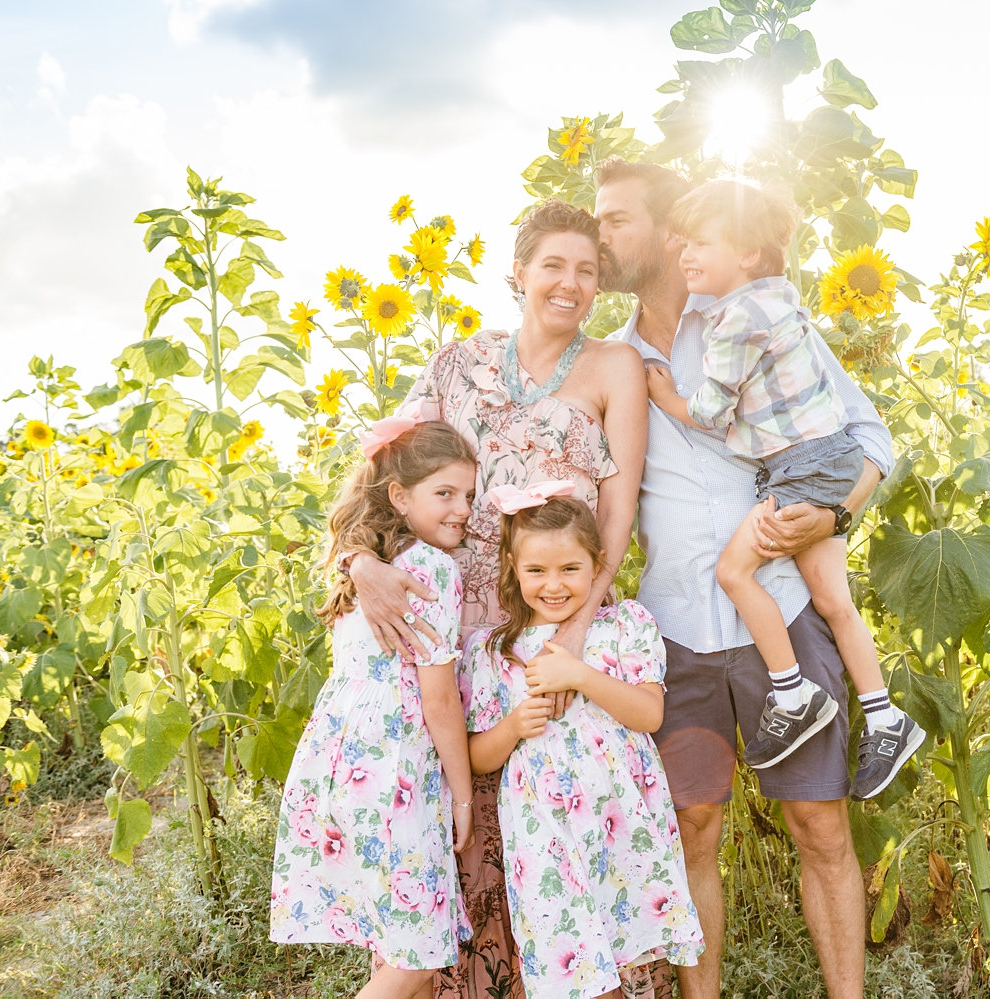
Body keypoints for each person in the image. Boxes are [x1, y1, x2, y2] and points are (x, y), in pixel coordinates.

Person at [596, 156, 892, 998]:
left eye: (619, 220)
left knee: (820, 823)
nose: (604, 235)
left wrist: (837, 513)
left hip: (781, 613)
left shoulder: (753, 313)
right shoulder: (611, 360)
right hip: (676, 630)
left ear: (671, 231)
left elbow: (871, 436)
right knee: (693, 825)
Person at [346, 198, 653, 998]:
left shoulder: (612, 366)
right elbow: (384, 468)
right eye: (553, 264)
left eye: (587, 271)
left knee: (557, 831)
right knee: (456, 835)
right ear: (517, 273)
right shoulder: (456, 362)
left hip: (553, 621)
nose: (571, 283)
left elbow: (619, 510)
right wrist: (355, 559)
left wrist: (578, 630)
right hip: (453, 636)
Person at [645, 178, 922, 797]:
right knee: (833, 599)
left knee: (735, 572)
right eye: (683, 242)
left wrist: (665, 393)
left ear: (747, 254)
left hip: (800, 470)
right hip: (826, 460)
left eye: (701, 243)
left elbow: (712, 412)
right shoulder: (778, 303)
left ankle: (792, 692)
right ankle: (884, 715)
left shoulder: (736, 319)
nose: (685, 254)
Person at [464, 487, 703, 999]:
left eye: (570, 569)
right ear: (512, 566)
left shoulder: (625, 626)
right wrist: (512, 727)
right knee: (571, 961)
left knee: (628, 948)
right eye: (537, 571)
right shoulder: (493, 650)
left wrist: (580, 673)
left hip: (619, 824)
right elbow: (478, 757)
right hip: (545, 834)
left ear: (597, 564)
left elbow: (648, 713)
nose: (554, 585)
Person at [270, 419, 477, 999]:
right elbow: (438, 698)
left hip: (340, 764)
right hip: (395, 773)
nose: (462, 509)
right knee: (417, 957)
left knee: (391, 944)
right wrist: (462, 796)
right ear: (399, 495)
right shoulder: (433, 571)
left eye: (468, 495)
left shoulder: (368, 572)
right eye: (445, 493)